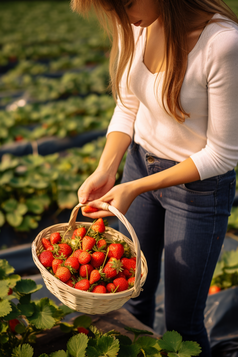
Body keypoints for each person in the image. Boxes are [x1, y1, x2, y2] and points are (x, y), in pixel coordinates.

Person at [72, 0, 238, 355]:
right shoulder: (136, 19)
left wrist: (134, 187)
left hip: (197, 190)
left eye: (127, 4)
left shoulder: (222, 44)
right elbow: (128, 104)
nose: (123, 16)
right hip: (138, 166)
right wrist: (107, 168)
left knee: (183, 323)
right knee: (130, 299)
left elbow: (223, 154)